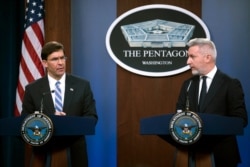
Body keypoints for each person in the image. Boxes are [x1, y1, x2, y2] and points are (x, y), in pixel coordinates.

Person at [21, 41, 98, 167]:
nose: (60, 63)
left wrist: (67, 123)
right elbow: (25, 121)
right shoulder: (33, 89)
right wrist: (49, 120)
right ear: (45, 63)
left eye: (62, 58)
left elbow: (92, 118)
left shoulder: (82, 85)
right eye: (55, 59)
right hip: (43, 153)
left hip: (75, 152)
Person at [176, 38, 248, 167]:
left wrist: (209, 125)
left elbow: (241, 120)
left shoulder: (230, 84)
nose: (188, 61)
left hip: (221, 155)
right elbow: (178, 114)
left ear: (207, 57)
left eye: (192, 56)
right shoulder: (187, 84)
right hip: (190, 154)